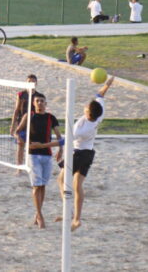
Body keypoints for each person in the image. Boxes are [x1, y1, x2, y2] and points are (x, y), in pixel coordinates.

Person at [33, 76, 115, 231]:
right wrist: (107, 84)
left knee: (61, 180)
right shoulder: (99, 114)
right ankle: (76, 218)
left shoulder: (80, 128)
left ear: (87, 111)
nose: (85, 105)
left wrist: (42, 145)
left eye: (86, 106)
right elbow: (100, 95)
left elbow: (62, 142)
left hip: (77, 154)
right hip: (89, 154)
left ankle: (70, 213)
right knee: (77, 186)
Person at [13, 93, 61, 229]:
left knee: (42, 186)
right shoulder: (29, 116)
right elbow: (17, 131)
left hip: (47, 155)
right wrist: (22, 141)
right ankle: (40, 216)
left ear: (46, 104)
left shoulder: (51, 118)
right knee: (36, 185)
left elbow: (59, 137)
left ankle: (37, 215)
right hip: (33, 155)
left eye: (42, 101)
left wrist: (61, 149)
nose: (40, 103)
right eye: (37, 101)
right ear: (33, 103)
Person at [10, 74, 39, 168]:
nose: (31, 83)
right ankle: (19, 168)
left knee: (33, 147)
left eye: (33, 81)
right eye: (29, 81)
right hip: (21, 124)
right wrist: (12, 126)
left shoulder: (38, 96)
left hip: (34, 125)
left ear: (36, 83)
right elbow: (16, 110)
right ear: (26, 83)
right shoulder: (21, 95)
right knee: (20, 145)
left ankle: (32, 166)